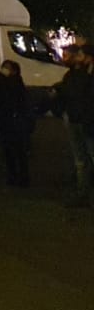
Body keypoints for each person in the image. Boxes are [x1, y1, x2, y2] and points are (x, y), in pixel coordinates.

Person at [49, 43, 94, 206]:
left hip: (87, 122)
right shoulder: (73, 74)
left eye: (81, 55)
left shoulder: (86, 75)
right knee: (80, 160)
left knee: (86, 158)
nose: (77, 58)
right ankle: (82, 194)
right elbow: (68, 91)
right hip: (75, 120)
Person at [0, 59, 32, 187]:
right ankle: (13, 175)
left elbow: (10, 95)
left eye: (7, 68)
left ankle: (22, 177)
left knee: (18, 150)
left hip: (15, 121)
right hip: (5, 120)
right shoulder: (3, 82)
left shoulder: (15, 82)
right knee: (8, 151)